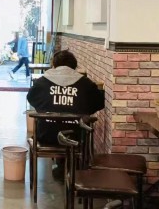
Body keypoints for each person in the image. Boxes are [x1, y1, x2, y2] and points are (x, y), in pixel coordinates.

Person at [27, 50, 105, 179]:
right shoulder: (85, 84)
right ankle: (70, 168)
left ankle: (61, 166)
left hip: (46, 135)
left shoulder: (42, 82)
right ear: (74, 67)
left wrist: (48, 108)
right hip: (76, 136)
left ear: (54, 65)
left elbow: (31, 98)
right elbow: (99, 103)